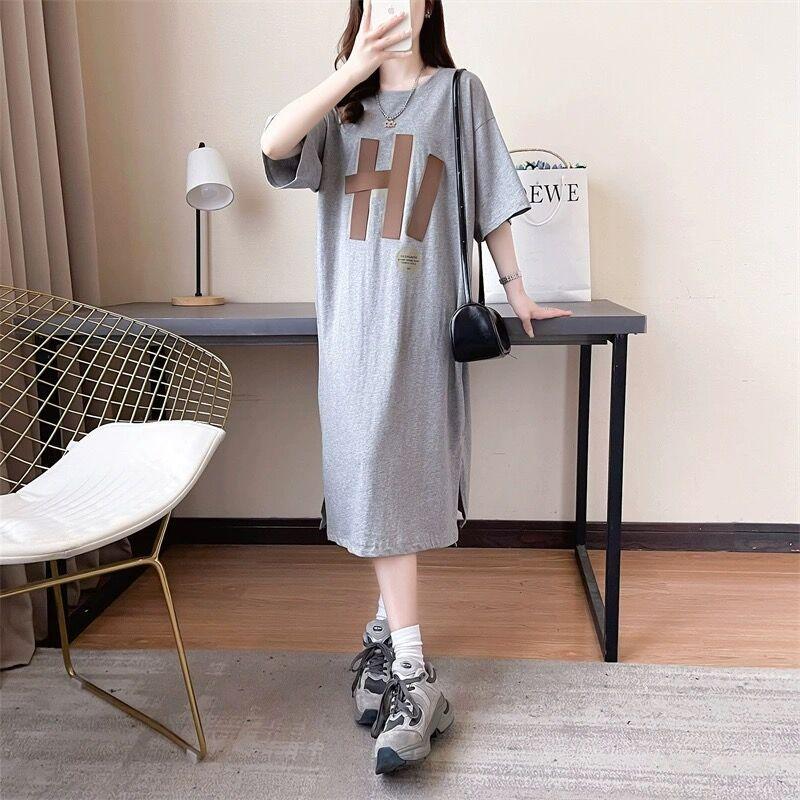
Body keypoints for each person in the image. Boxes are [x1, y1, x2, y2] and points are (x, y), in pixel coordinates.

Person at [260, 0, 572, 776]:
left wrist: (518, 290)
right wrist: (351, 72)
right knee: (371, 478)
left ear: (428, 5)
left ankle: (409, 671)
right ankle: (390, 646)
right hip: (353, 330)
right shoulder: (340, 104)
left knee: (396, 480)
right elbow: (272, 144)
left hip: (424, 326)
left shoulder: (459, 93)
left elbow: (489, 199)